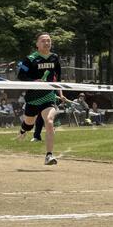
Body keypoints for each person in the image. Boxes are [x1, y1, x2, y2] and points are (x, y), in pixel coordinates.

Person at [16, 32, 69, 165]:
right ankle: (23, 129)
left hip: (48, 97)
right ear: (37, 44)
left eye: (49, 40)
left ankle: (49, 155)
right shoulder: (29, 59)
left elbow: (58, 79)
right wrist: (34, 81)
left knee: (49, 122)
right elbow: (21, 76)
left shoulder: (55, 58)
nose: (47, 43)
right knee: (29, 124)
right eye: (43, 41)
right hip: (33, 98)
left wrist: (60, 94)